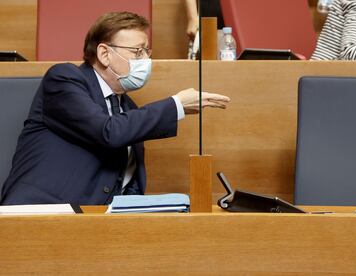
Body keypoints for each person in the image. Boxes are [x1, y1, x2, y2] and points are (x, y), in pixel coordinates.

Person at [0, 12, 230, 205]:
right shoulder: (64, 79)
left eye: (147, 52)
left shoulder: (127, 107)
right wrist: (176, 105)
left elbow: (126, 180)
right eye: (137, 51)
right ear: (104, 54)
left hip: (94, 222)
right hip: (39, 211)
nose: (146, 61)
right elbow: (109, 132)